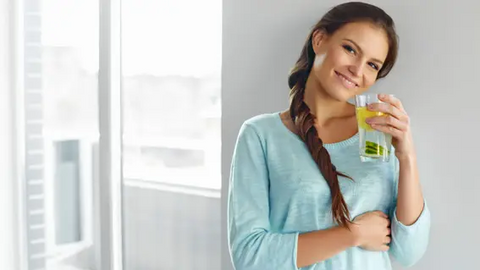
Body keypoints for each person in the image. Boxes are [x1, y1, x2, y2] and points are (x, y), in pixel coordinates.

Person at [227, 2, 431, 270]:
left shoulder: (377, 133)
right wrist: (352, 234)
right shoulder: (260, 136)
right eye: (350, 49)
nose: (357, 70)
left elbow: (409, 253)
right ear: (319, 40)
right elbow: (249, 257)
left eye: (372, 64)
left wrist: (407, 155)